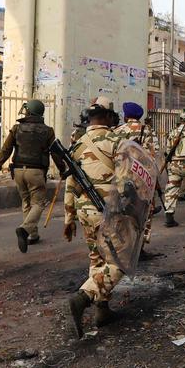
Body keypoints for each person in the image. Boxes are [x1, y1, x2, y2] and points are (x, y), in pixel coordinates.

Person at [65, 97, 128, 338]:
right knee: (119, 260)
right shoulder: (117, 142)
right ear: (109, 117)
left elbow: (70, 182)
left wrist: (68, 216)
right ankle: (85, 296)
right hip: (109, 210)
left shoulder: (77, 144)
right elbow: (125, 182)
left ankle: (102, 310)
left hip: (83, 209)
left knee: (96, 258)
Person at [0, 99, 56, 253]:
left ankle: (32, 235)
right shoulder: (48, 131)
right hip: (37, 172)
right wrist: (62, 168)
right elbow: (55, 152)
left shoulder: (17, 128)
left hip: (18, 171)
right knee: (39, 203)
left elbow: (6, 150)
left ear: (29, 112)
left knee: (26, 201)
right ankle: (25, 229)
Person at [114, 101, 158, 259]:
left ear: (126, 116)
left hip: (121, 176)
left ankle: (122, 245)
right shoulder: (146, 130)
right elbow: (152, 157)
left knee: (123, 210)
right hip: (140, 178)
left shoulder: (117, 130)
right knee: (143, 211)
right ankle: (139, 247)